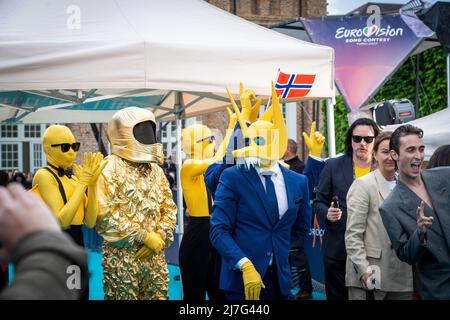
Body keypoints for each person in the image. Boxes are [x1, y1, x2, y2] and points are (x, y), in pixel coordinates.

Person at [210, 84, 313, 300]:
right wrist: (244, 264)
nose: (250, 145)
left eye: (258, 140)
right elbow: (219, 231)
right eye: (248, 139)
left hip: (282, 283)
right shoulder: (233, 177)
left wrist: (278, 251)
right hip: (241, 284)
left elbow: (300, 229)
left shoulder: (298, 181)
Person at [96, 107, 177, 300]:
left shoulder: (155, 170)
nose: (148, 136)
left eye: (149, 130)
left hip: (155, 256)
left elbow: (169, 208)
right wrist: (143, 236)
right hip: (121, 258)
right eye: (141, 131)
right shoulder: (108, 167)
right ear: (122, 132)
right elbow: (104, 214)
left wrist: (160, 236)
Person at [379, 124, 450, 300]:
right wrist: (420, 233)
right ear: (395, 155)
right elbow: (406, 255)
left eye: (421, 149)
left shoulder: (445, 176)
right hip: (438, 289)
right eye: (410, 150)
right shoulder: (390, 207)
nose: (418, 156)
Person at [314, 117, 379, 300]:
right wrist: (327, 213)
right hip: (338, 249)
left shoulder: (382, 167)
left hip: (374, 251)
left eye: (368, 139)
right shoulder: (333, 166)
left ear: (375, 141)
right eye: (357, 138)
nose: (362, 143)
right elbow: (318, 201)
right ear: (351, 140)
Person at [179, 105, 237, 300]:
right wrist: (231, 128)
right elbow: (220, 159)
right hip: (198, 234)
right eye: (209, 139)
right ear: (196, 143)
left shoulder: (207, 167)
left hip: (215, 230)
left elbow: (222, 160)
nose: (213, 142)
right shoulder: (189, 166)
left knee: (219, 292)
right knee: (194, 295)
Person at [345, 131, 413, 300]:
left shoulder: (408, 184)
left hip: (402, 275)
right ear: (374, 154)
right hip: (371, 275)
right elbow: (353, 235)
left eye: (394, 152)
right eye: (384, 151)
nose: (390, 157)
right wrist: (364, 270)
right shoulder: (363, 185)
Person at [0, 183, 88, 300]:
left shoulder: (72, 179)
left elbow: (91, 220)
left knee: (75, 287)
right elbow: (63, 220)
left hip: (66, 237)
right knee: (70, 282)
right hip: (57, 236)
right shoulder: (44, 175)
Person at [283, 138, 312, 300]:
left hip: (295, 221)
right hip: (285, 222)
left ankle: (305, 288)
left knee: (297, 256)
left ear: (287, 149)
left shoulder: (300, 168)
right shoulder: (284, 167)